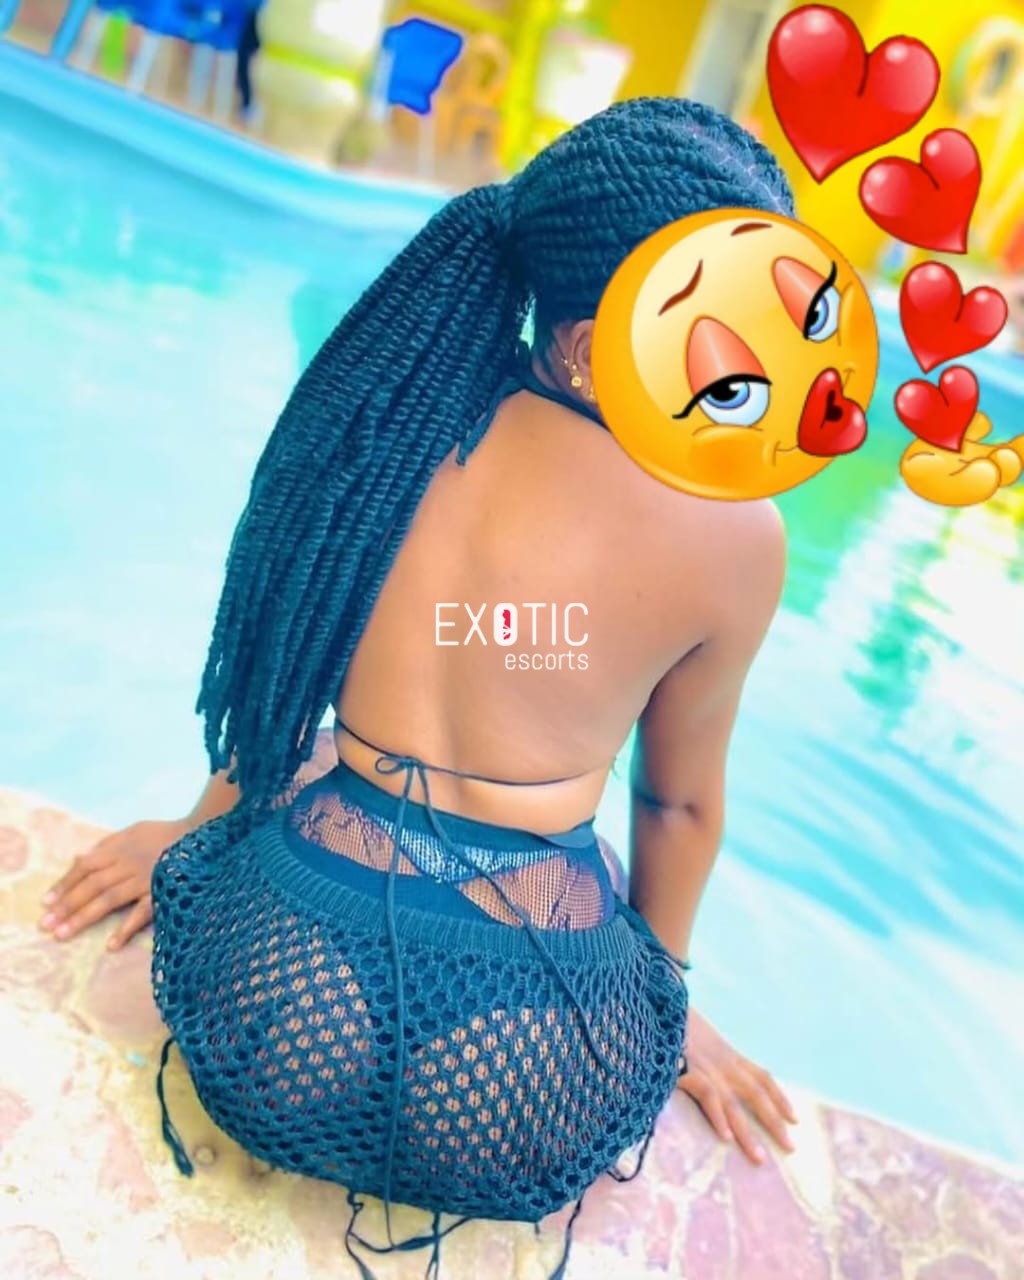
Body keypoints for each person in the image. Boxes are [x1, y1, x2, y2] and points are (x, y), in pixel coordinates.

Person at [40, 98, 797, 1276]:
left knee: (323, 763)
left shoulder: (386, 420)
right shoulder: (735, 534)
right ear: (595, 349)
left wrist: (192, 831)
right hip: (518, 1081)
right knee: (582, 870)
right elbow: (677, 804)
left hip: (274, 1003)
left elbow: (280, 660)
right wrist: (665, 999)